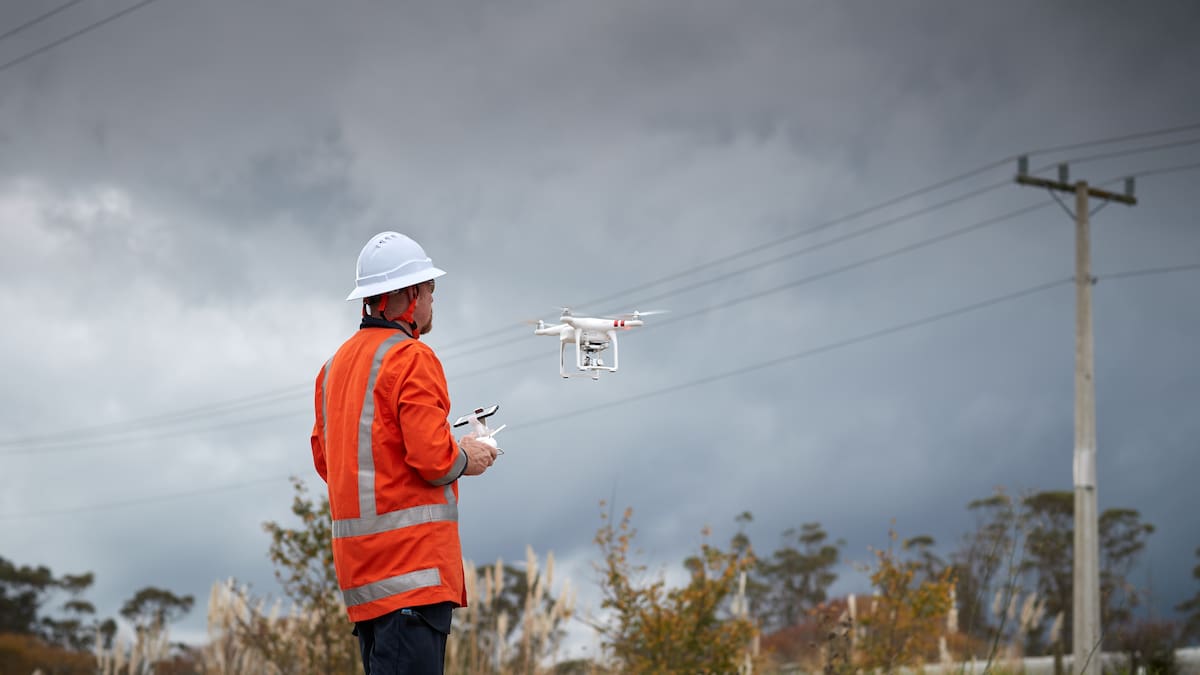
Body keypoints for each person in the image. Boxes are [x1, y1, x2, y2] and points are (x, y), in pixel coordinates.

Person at [310, 231, 499, 674]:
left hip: (363, 585)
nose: (433, 299)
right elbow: (434, 461)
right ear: (410, 294)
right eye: (431, 289)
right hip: (414, 578)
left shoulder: (331, 370)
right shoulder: (413, 358)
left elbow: (329, 462)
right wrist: (468, 455)